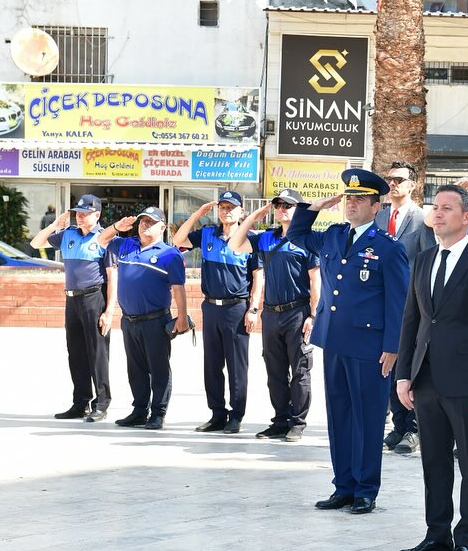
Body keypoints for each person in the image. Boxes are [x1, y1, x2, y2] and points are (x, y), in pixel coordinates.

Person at [394, 184, 468, 551]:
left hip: (467, 385)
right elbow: (412, 320)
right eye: (435, 208)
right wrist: (404, 374)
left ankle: (466, 541)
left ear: (466, 217)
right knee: (434, 463)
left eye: (447, 208)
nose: (438, 214)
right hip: (425, 380)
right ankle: (437, 534)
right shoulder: (424, 260)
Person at [287, 169, 409, 515]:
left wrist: (392, 346)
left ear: (376, 206)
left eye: (360, 199)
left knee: (368, 418)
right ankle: (344, 486)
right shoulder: (333, 236)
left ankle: (366, 489)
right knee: (340, 415)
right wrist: (314, 207)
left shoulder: (388, 248)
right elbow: (297, 234)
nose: (351, 203)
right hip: (335, 339)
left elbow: (397, 301)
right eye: (349, 197)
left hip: (370, 346)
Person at [229, 188, 319, 442]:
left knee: (300, 370)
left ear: (299, 210)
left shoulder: (307, 240)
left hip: (298, 312)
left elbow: (315, 279)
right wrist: (255, 216)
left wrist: (313, 315)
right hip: (271, 314)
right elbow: (235, 243)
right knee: (275, 371)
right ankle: (280, 420)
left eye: (287, 205)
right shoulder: (266, 238)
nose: (281, 209)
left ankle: (297, 422)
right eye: (278, 205)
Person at [173, 191, 262, 434]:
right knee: (211, 365)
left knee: (236, 366)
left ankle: (236, 415)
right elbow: (178, 240)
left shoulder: (249, 240)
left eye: (232, 207)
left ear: (242, 212)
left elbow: (258, 276)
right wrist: (198, 214)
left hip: (236, 308)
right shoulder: (207, 234)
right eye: (222, 207)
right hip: (211, 307)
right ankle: (217, 414)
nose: (226, 211)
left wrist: (253, 308)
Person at [97, 206, 190, 430]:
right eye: (142, 222)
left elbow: (179, 289)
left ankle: (158, 413)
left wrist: (182, 317)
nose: (145, 225)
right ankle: (139, 410)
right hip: (130, 321)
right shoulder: (126, 245)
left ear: (163, 227)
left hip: (156, 321)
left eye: (151, 222)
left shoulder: (170, 253)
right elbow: (101, 240)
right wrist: (117, 227)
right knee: (135, 369)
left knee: (158, 369)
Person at [29, 194, 115, 422]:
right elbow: (36, 243)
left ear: (97, 215)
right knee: (75, 353)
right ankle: (80, 402)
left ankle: (102, 403)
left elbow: (112, 275)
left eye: (85, 213)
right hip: (72, 300)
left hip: (94, 298)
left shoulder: (105, 237)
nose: (80, 216)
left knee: (98, 353)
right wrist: (55, 225)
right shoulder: (68, 234)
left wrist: (109, 311)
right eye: (78, 212)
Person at [375, 161, 435, 454]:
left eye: (399, 179)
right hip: (381, 303)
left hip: (411, 304)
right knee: (387, 363)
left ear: (412, 184)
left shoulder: (421, 218)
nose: (393, 184)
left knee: (409, 364)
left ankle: (414, 428)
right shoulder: (379, 216)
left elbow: (428, 260)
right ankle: (398, 426)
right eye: (389, 179)